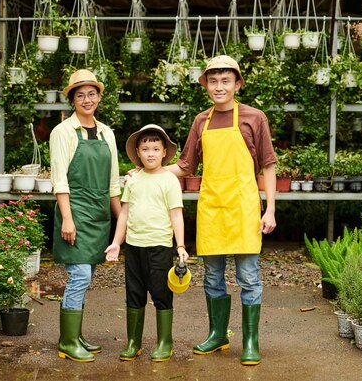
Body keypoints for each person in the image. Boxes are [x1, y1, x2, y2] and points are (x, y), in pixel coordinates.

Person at [166, 55, 277, 366]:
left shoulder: (255, 118)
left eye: (225, 80)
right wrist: (149, 170)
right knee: (212, 277)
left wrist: (269, 210)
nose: (219, 86)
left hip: (244, 207)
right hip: (212, 207)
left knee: (248, 277)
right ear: (206, 85)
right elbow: (186, 165)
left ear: (237, 84)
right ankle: (218, 335)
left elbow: (268, 165)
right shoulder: (201, 121)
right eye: (213, 81)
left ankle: (251, 341)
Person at [50, 69, 122, 363]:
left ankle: (75, 335)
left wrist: (123, 222)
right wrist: (67, 218)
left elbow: (113, 183)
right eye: (80, 95)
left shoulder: (107, 132)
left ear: (99, 96)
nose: (87, 99)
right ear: (72, 99)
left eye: (92, 93)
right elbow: (60, 180)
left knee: (87, 274)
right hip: (75, 210)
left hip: (98, 213)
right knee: (79, 275)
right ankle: (67, 341)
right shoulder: (63, 132)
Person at [104, 124, 189, 362]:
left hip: (160, 246)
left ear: (164, 152)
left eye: (155, 148)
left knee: (161, 293)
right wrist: (116, 243)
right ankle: (134, 343)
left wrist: (180, 246)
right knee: (134, 294)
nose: (150, 153)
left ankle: (165, 342)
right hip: (134, 246)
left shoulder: (170, 180)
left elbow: (176, 215)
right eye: (145, 149)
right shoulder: (133, 180)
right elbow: (124, 213)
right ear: (138, 153)